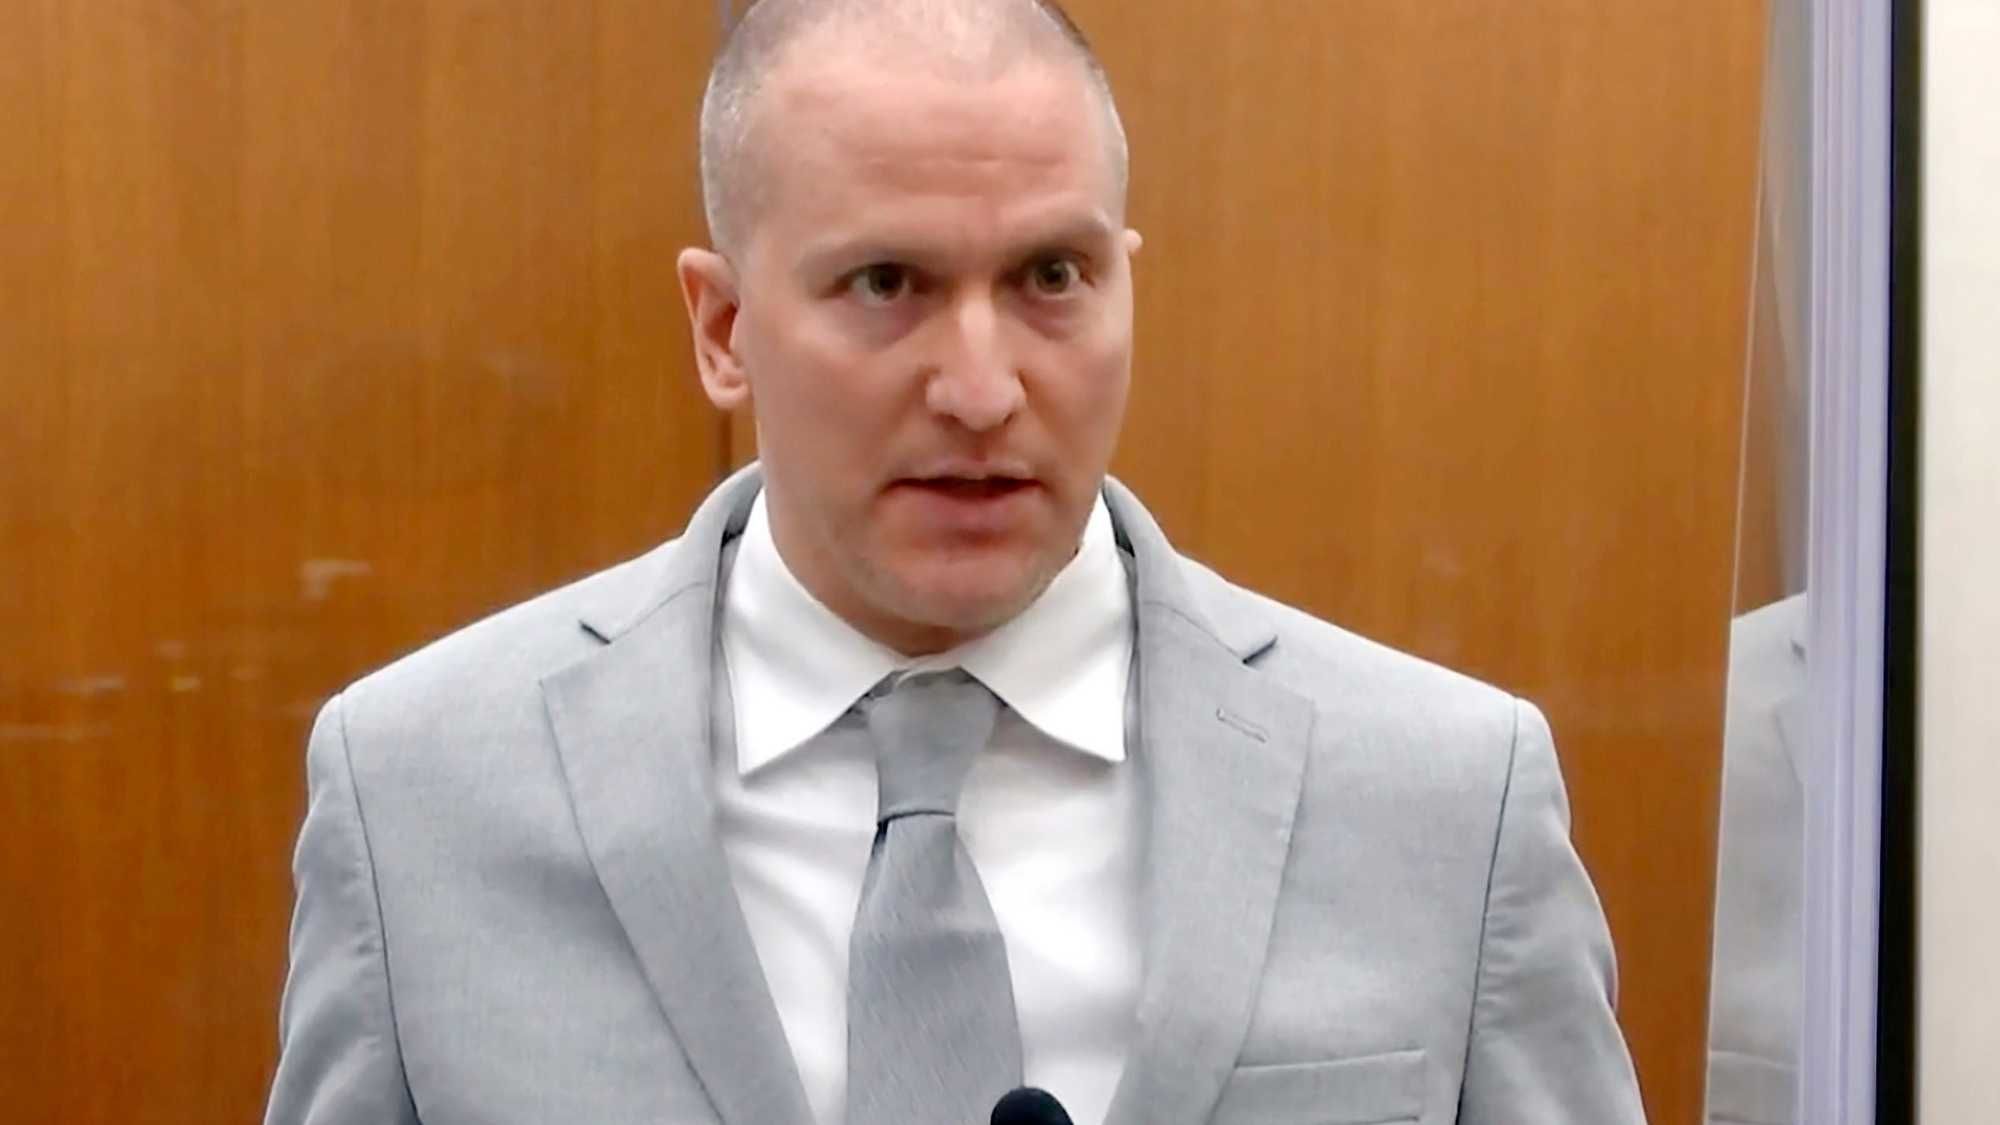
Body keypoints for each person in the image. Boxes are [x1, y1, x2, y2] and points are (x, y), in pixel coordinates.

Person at [263, 2, 1646, 1123]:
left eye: (1051, 278)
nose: (982, 390)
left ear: (1127, 282)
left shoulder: (1448, 799)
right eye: (887, 284)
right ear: (724, 328)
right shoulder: (419, 798)